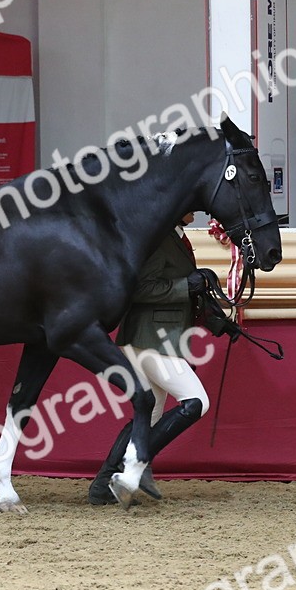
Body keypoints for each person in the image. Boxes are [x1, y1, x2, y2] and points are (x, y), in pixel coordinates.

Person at [89, 212, 213, 506]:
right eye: (188, 205)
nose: (194, 212)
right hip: (150, 339)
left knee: (150, 415)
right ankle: (137, 464)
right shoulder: (158, 239)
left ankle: (102, 485)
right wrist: (187, 285)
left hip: (152, 337)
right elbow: (141, 288)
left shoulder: (176, 238)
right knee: (196, 401)